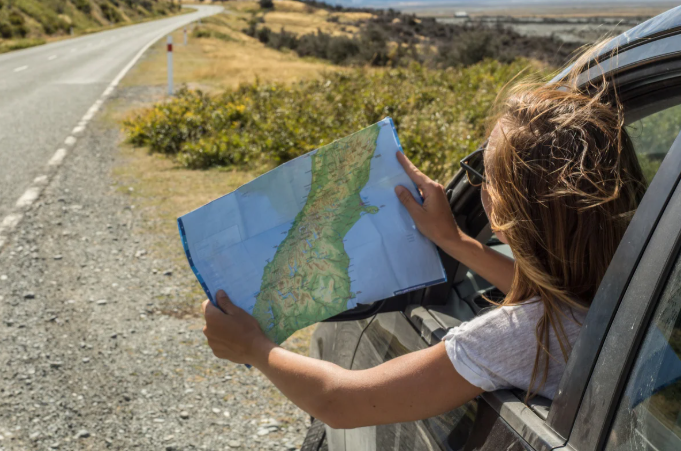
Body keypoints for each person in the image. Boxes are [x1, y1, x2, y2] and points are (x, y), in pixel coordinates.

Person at [200, 64, 647, 430]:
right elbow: (561, 293)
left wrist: (254, 348)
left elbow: (339, 402)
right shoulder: (637, 278)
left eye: (483, 174)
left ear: (503, 208)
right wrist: (453, 240)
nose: (479, 186)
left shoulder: (521, 336)